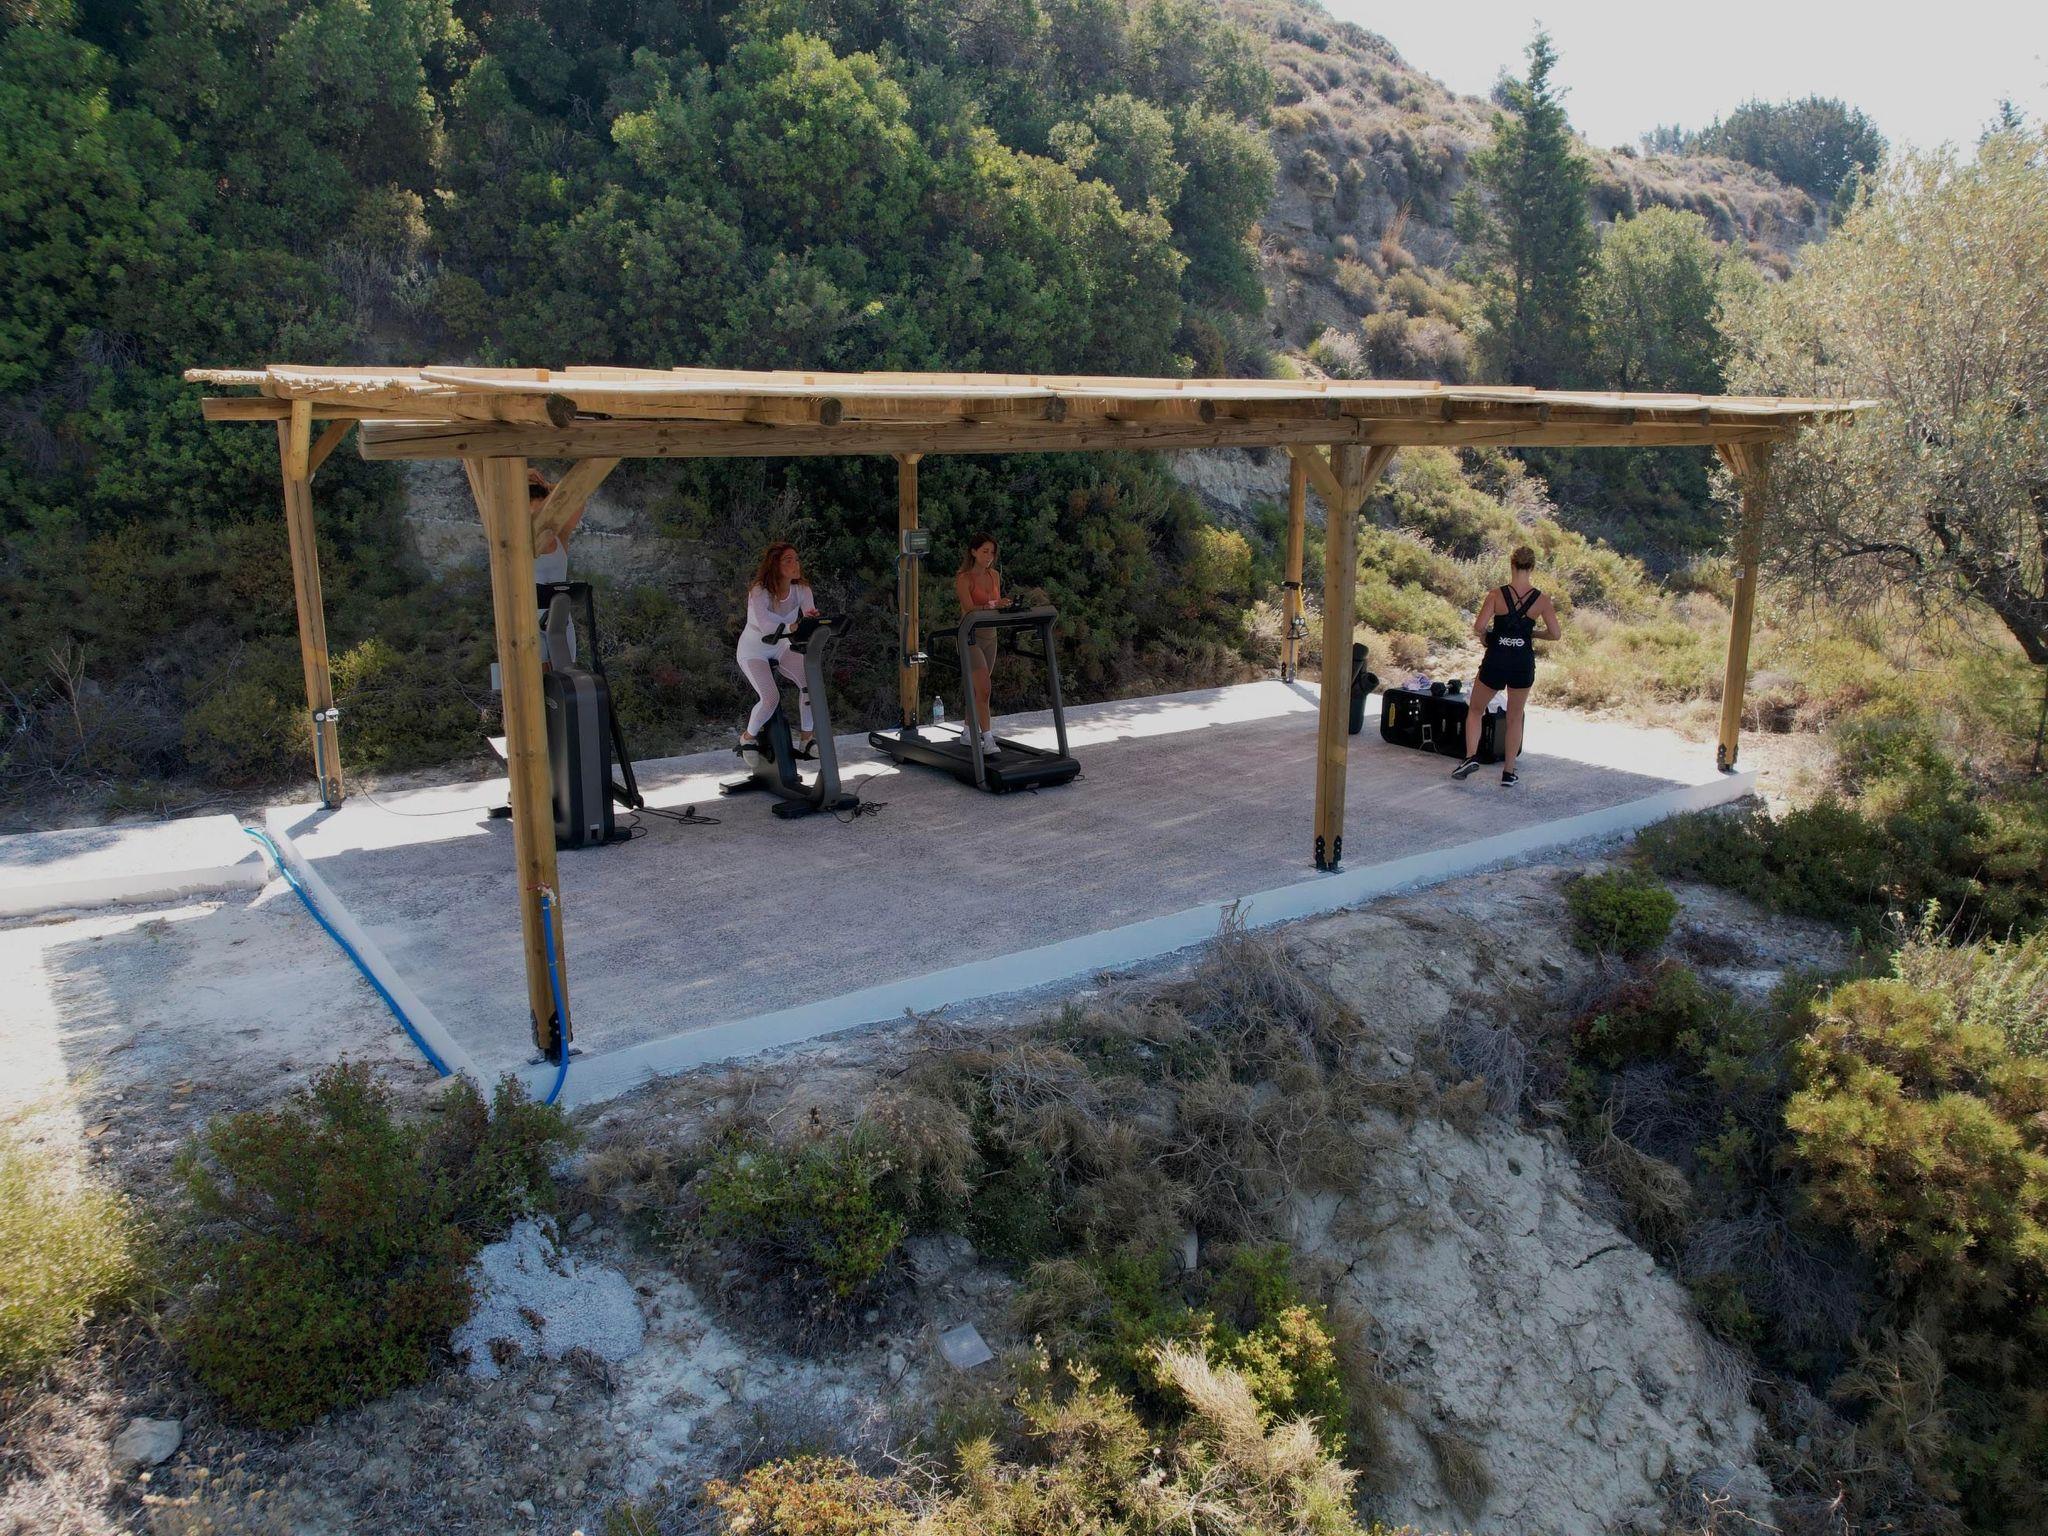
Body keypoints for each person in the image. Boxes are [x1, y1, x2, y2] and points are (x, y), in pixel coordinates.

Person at [1452, 545, 1560, 787]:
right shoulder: (1542, 600)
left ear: (1511, 565)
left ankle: (1470, 757)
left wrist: (1486, 637)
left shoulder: (1496, 595)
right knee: (1514, 717)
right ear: (1532, 567)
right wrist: (1532, 634)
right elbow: (1555, 634)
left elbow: (1479, 627)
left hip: (1496, 659)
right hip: (1522, 662)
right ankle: (1509, 772)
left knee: (1476, 709)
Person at [736, 542, 821, 756]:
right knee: (770, 698)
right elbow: (766, 626)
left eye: (797, 559)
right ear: (775, 565)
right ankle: (747, 738)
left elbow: (809, 617)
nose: (795, 564)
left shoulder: (802, 590)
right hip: (754, 650)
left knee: (810, 684)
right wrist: (794, 627)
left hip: (781, 646)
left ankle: (806, 739)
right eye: (788, 560)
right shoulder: (759, 591)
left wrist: (811, 621)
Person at [954, 533, 1007, 754]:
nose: (989, 557)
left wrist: (1005, 605)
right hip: (970, 637)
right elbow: (969, 608)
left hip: (990, 636)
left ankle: (967, 732)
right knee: (984, 689)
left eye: (992, 553)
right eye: (984, 551)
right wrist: (993, 605)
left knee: (978, 690)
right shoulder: (964, 578)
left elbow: (997, 603)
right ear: (974, 552)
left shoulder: (994, 575)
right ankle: (988, 739)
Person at [530, 468, 585, 671]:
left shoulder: (559, 535)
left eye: (543, 512)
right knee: (537, 682)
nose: (539, 519)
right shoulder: (517, 540)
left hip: (560, 621)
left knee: (565, 680)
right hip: (529, 622)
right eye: (534, 514)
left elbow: (579, 495)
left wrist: (547, 487)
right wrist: (522, 479)